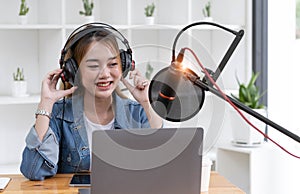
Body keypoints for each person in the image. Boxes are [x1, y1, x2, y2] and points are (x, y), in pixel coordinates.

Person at [20, 23, 162, 180]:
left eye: (113, 64)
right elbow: (34, 172)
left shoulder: (138, 112)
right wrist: (45, 104)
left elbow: (161, 166)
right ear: (73, 71)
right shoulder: (58, 115)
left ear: (125, 65)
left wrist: (147, 105)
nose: (105, 74)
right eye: (94, 65)